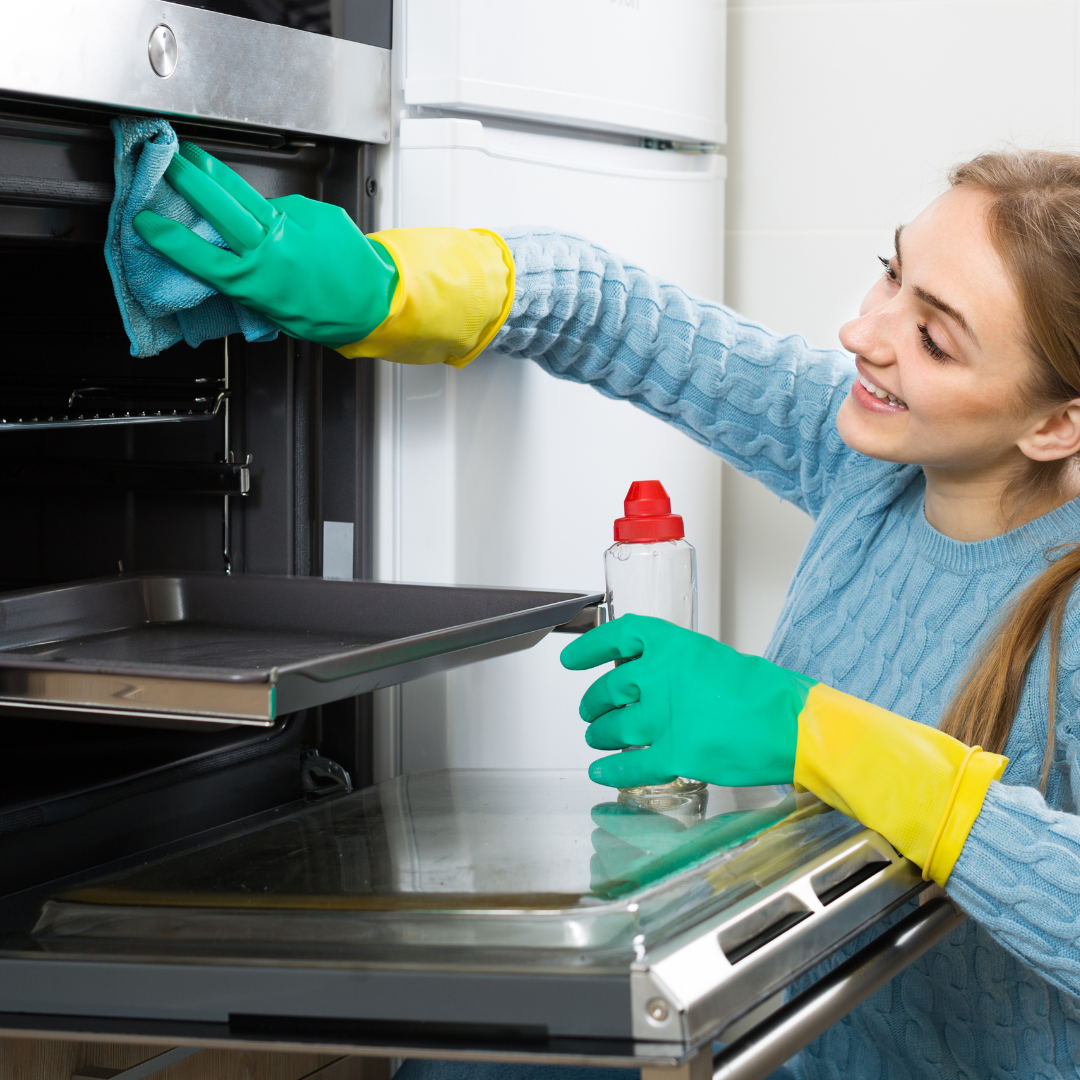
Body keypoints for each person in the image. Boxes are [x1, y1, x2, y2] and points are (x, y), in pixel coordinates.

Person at [134, 144, 1080, 1078]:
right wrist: (391, 283)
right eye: (892, 276)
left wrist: (814, 733)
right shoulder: (875, 463)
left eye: (935, 337)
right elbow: (615, 316)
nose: (863, 333)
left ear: (1055, 423)